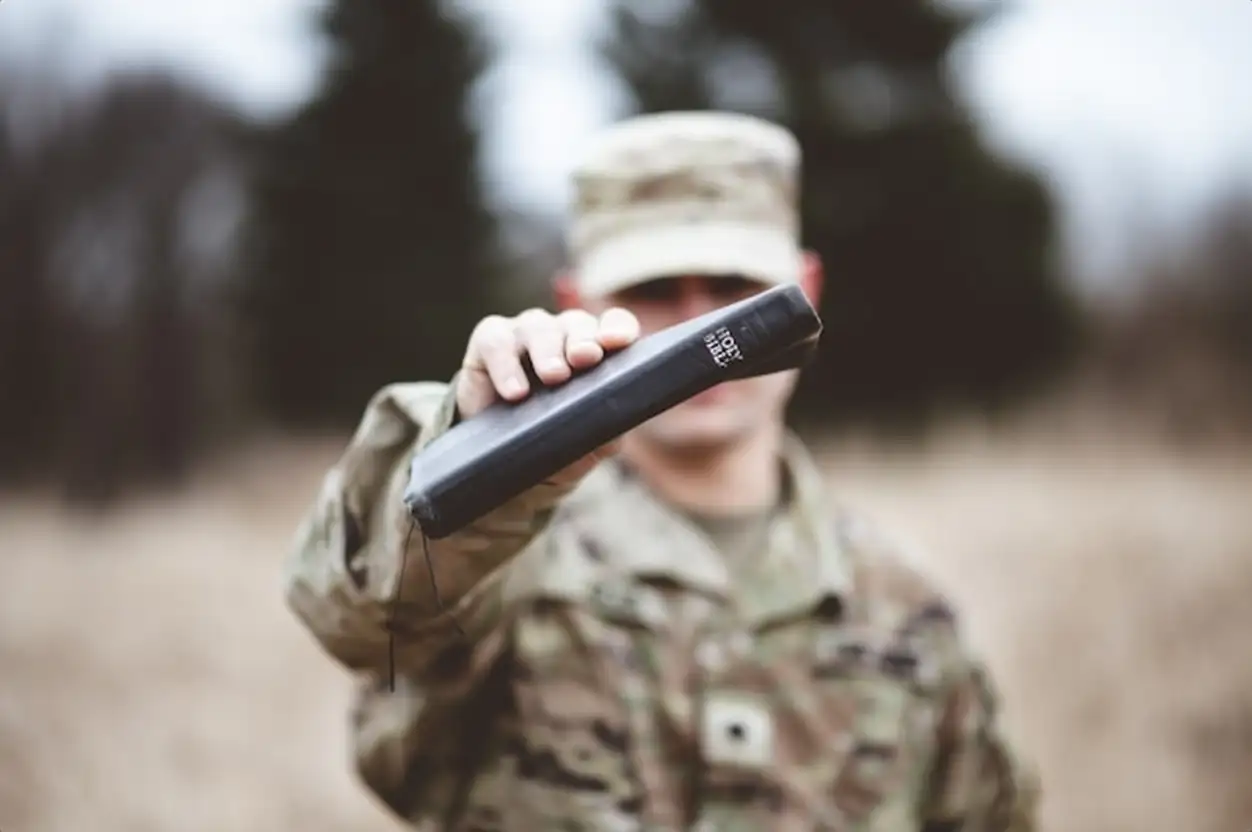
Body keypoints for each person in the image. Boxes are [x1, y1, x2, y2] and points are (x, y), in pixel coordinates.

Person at [282, 110, 1040, 831]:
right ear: (576, 302)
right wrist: (471, 449)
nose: (696, 328)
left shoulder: (903, 608)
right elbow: (364, 610)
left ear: (805, 294)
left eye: (733, 290)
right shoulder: (501, 559)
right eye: (653, 292)